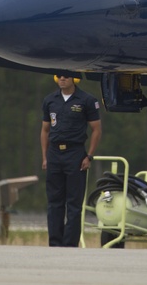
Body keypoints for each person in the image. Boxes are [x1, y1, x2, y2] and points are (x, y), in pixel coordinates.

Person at [40, 74, 102, 247]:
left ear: (75, 79)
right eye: (59, 76)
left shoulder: (87, 100)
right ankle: (54, 243)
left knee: (74, 203)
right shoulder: (50, 100)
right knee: (54, 202)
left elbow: (96, 129)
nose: (62, 79)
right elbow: (45, 130)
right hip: (54, 153)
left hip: (75, 153)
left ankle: (69, 244)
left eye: (66, 76)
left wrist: (89, 155)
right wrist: (45, 157)